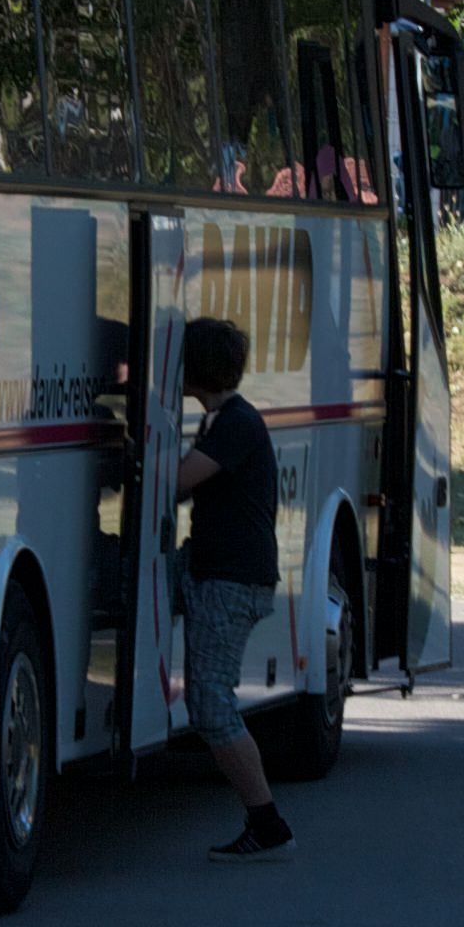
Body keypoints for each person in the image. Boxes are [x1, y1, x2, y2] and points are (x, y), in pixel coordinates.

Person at [176, 316, 293, 861]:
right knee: (209, 702)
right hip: (217, 572)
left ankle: (266, 822)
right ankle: (264, 822)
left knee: (211, 706)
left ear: (194, 368)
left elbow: (178, 482)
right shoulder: (225, 420)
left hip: (230, 582)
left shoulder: (236, 425)